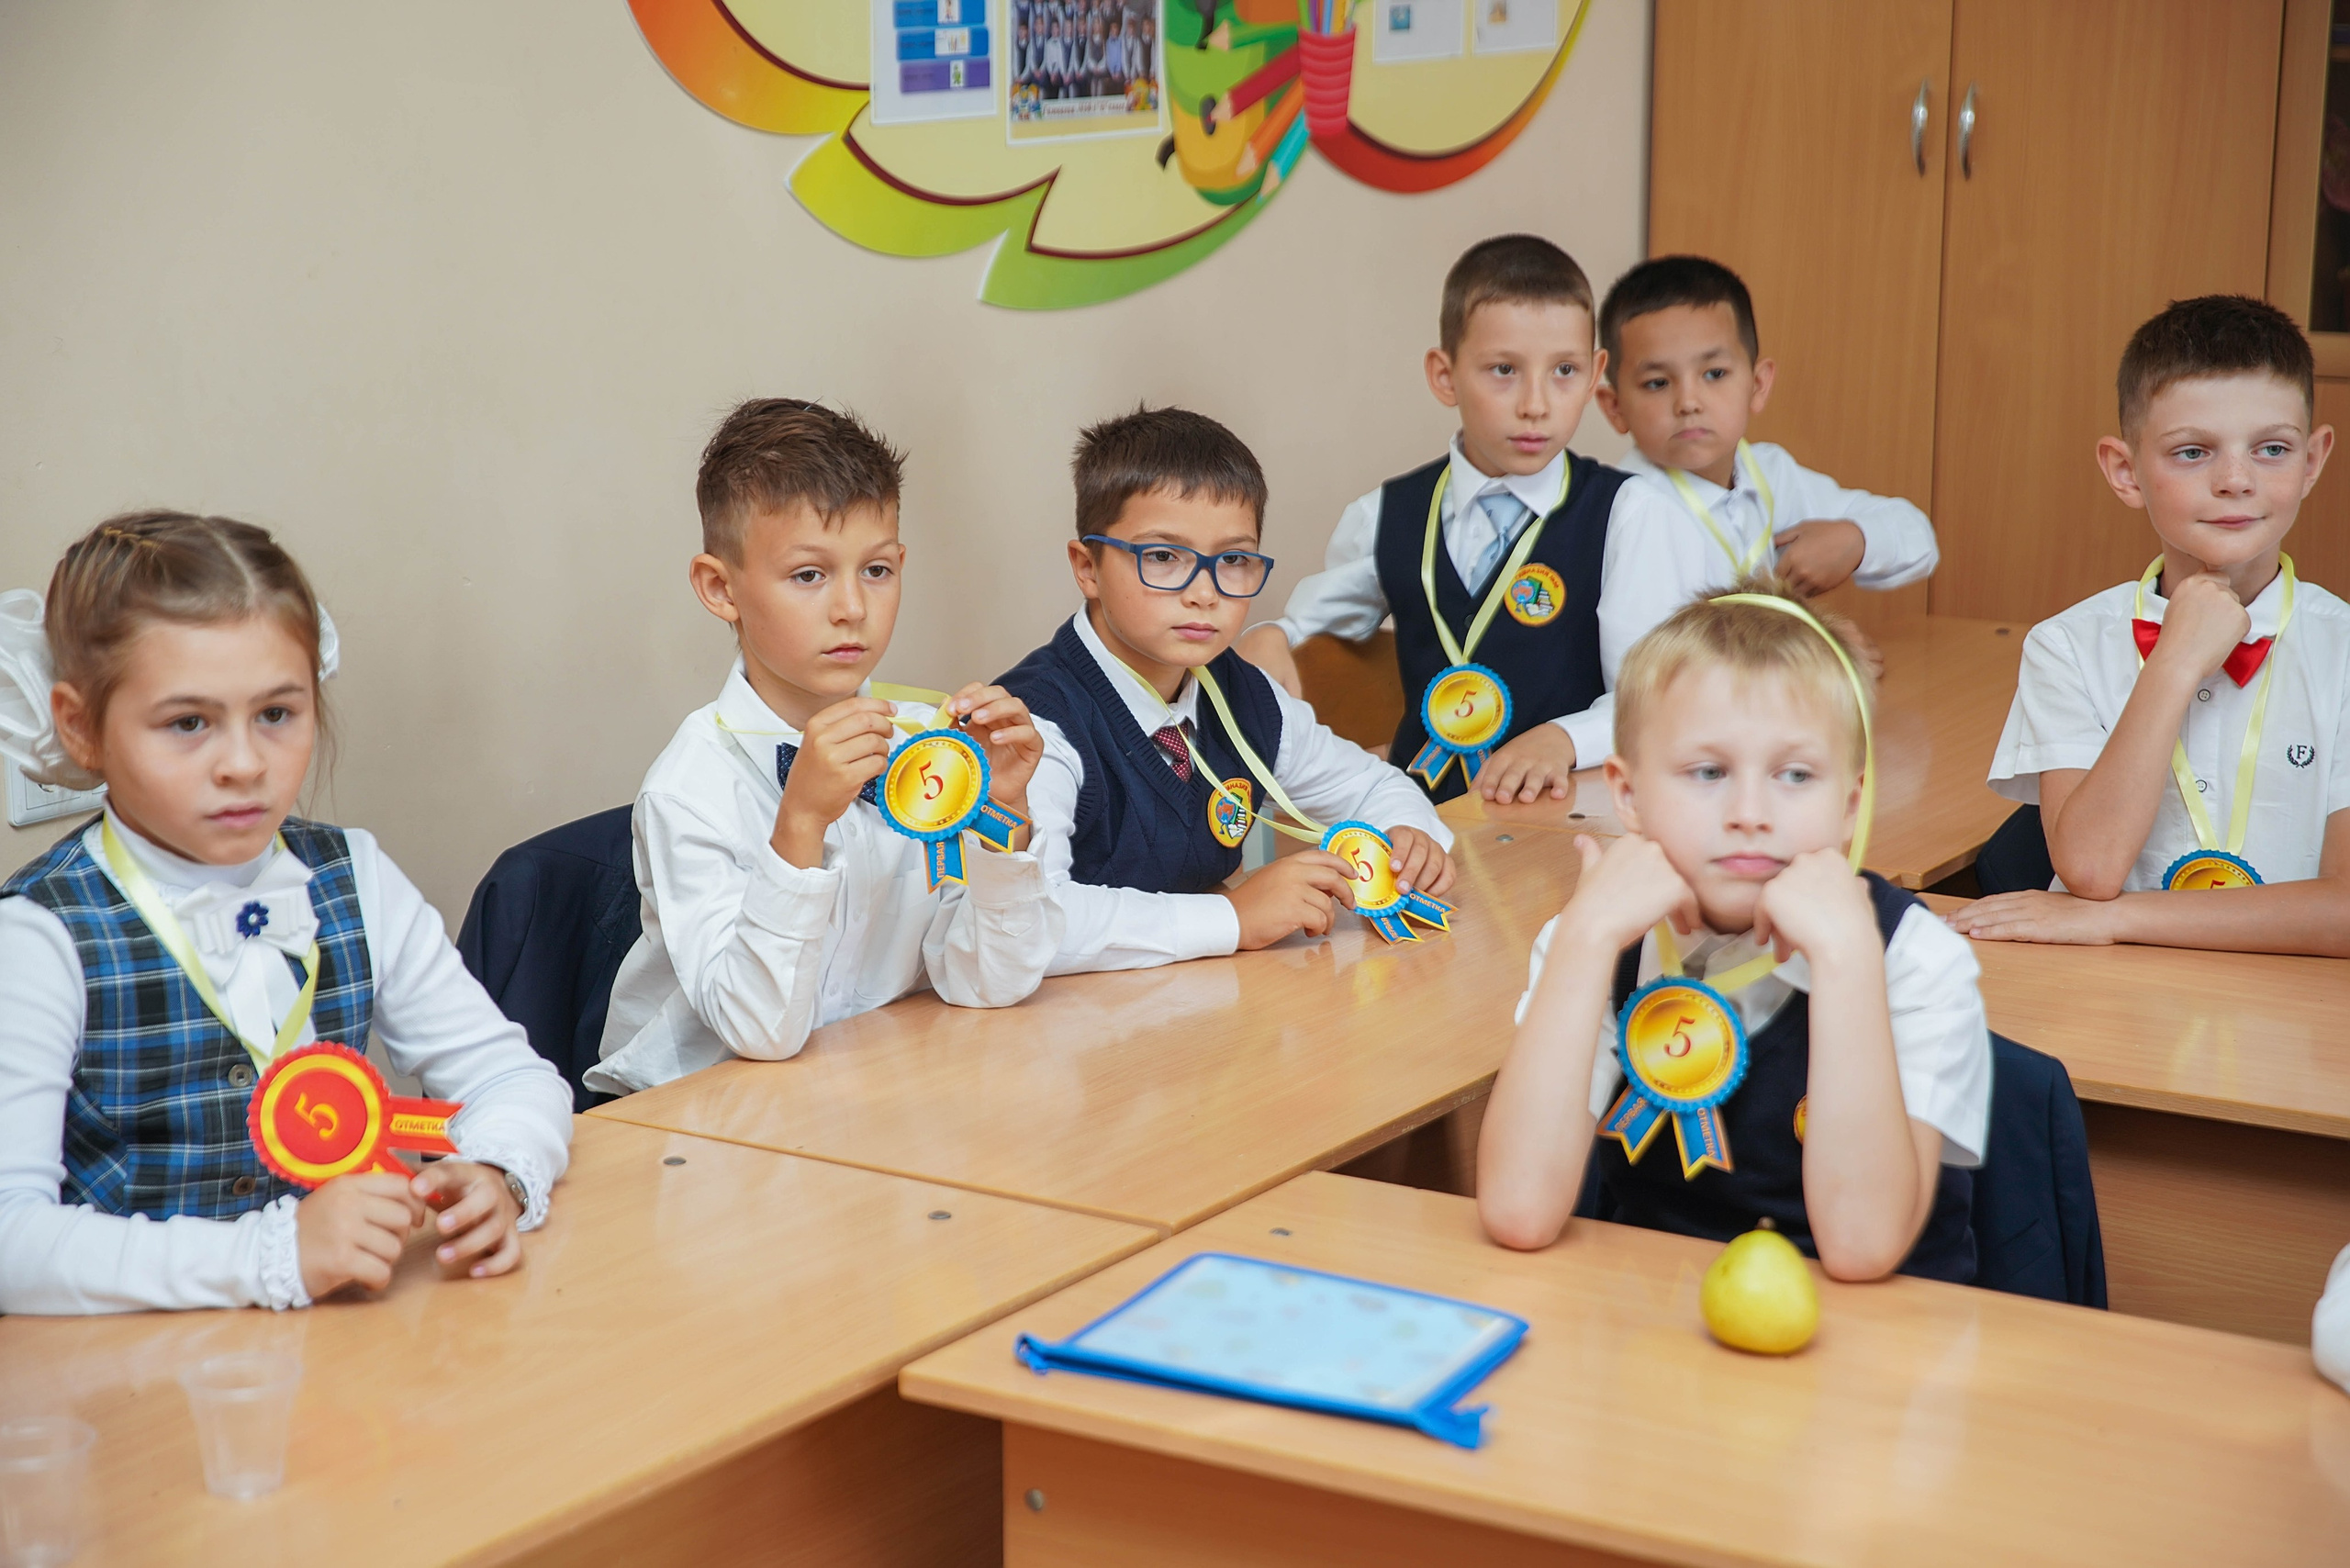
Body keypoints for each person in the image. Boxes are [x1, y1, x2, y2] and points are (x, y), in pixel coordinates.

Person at [0, 512, 572, 1314]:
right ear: (81, 726)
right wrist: (272, 1254)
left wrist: (500, 1170)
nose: (244, 764)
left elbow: (510, 1076)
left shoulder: (352, 874)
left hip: (344, 1361)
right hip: (134, 1387)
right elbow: (11, 1241)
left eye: (277, 714)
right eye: (188, 723)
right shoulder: (39, 935)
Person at [1477, 583, 1991, 1281]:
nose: (1750, 811)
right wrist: (1584, 939)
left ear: (1850, 804)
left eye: (1796, 774)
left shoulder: (1914, 957)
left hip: (1875, 1342)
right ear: (1626, 796)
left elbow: (1863, 1248)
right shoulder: (1598, 939)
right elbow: (1518, 1211)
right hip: (1656, 1325)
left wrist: (1845, 962)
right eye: (1709, 771)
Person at [589, 399, 1059, 1094]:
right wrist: (802, 824)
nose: (852, 608)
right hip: (699, 1117)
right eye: (809, 575)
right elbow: (760, 1033)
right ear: (720, 588)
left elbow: (989, 982)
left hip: (863, 1084)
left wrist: (1006, 820)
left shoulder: (923, 747)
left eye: (876, 571)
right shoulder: (691, 787)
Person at [1958, 295, 2348, 956]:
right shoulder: (2068, 645)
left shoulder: (2340, 650)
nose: (2235, 480)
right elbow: (2089, 868)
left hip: (2284, 1010)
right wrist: (2172, 664)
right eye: (2193, 452)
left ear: (2312, 462)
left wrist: (2115, 919)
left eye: (2272, 449)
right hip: (2108, 995)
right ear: (2124, 471)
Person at [1000, 405, 1455, 972]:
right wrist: (1234, 919)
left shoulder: (1243, 693)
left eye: (1233, 560)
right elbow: (1028, 922)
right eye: (1164, 557)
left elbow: (1373, 787)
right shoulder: (1034, 726)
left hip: (1209, 1013)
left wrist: (1408, 834)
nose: (1204, 592)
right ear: (1087, 566)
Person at [1237, 234, 1684, 805]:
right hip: (1417, 818)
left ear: (1597, 370)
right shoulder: (1384, 514)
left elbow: (1651, 695)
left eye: (1565, 370)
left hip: (1561, 811)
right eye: (1504, 370)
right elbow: (1309, 629)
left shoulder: (1627, 512)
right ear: (1445, 376)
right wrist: (1273, 633)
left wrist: (1565, 739)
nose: (1536, 404)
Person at [1592, 255, 1941, 655]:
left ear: (1758, 385)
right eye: (1657, 383)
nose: (1688, 402)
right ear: (1615, 407)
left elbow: (1919, 538)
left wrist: (1856, 540)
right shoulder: (1629, 510)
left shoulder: (1770, 472)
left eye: (1714, 374)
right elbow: (1650, 670)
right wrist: (1809, 648)